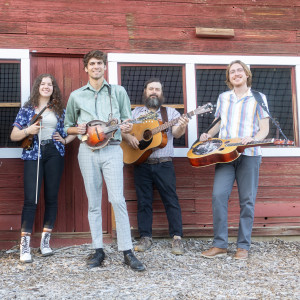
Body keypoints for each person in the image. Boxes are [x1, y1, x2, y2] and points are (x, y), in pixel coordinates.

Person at [64, 50, 145, 271]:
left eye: (100, 63)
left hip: (112, 149)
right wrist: (77, 128)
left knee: (117, 200)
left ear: (105, 67)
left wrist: (128, 126)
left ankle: (127, 251)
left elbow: (128, 120)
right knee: (93, 202)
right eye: (92, 63)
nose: (96, 67)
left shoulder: (118, 92)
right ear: (85, 68)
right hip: (87, 152)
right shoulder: (76, 95)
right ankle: (98, 249)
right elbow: (67, 126)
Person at [199, 60, 269, 260]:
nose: (236, 74)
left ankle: (243, 246)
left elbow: (264, 129)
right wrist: (207, 135)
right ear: (229, 77)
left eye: (240, 70)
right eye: (232, 72)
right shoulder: (224, 97)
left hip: (249, 155)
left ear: (247, 74)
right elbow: (220, 123)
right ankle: (220, 244)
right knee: (218, 196)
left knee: (247, 201)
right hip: (226, 154)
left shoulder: (258, 97)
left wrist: (254, 139)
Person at [10, 74, 75, 263]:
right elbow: (14, 134)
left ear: (53, 88)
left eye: (50, 84)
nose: (46, 87)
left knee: (52, 198)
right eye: (43, 84)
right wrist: (27, 131)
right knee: (31, 199)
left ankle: (45, 243)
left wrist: (64, 140)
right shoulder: (28, 108)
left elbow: (71, 130)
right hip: (33, 154)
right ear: (37, 87)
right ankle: (24, 247)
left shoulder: (59, 109)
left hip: (54, 152)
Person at [123, 78, 189, 255]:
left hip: (164, 163)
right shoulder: (135, 113)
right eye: (151, 89)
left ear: (161, 93)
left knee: (171, 201)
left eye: (157, 89)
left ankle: (177, 238)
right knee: (144, 202)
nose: (154, 92)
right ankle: (145, 237)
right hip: (141, 163)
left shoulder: (171, 114)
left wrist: (181, 126)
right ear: (145, 92)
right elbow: (125, 132)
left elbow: (176, 133)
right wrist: (130, 138)